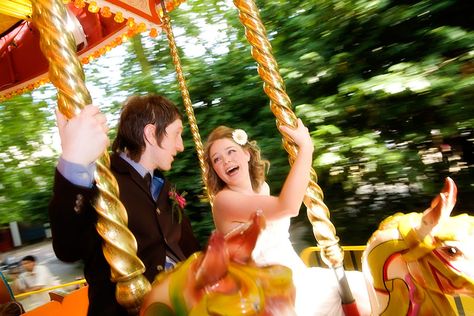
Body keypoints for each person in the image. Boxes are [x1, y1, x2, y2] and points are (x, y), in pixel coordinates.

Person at [48, 94, 201, 316]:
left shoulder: (164, 186)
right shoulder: (102, 177)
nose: (181, 146)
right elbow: (67, 248)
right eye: (177, 134)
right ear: (150, 133)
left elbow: (188, 248)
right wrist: (75, 163)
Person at [203, 121, 371, 316]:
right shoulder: (224, 202)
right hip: (270, 294)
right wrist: (306, 148)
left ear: (247, 154)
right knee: (349, 290)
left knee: (360, 285)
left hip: (297, 276)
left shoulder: (262, 189)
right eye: (217, 159)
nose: (226, 161)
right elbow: (287, 206)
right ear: (215, 170)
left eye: (231, 151)